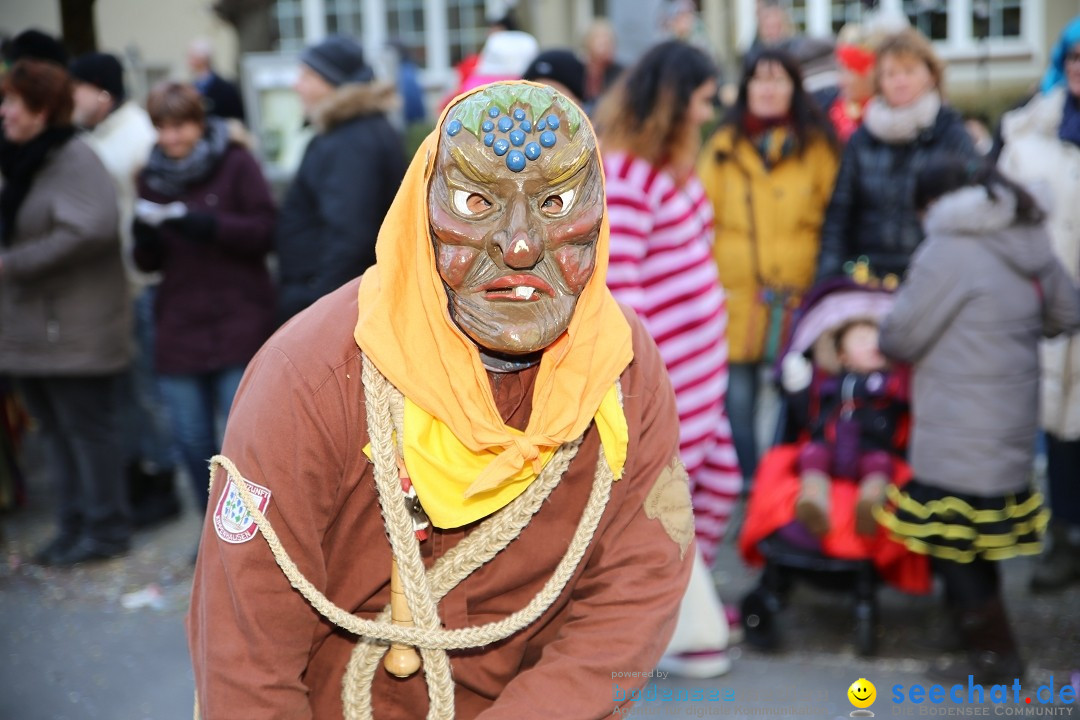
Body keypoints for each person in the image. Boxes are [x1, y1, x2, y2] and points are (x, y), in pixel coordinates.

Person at [188, 80, 694, 717]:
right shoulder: (311, 380)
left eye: (558, 201)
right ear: (421, 210)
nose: (520, 245)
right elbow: (246, 655)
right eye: (476, 200)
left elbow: (638, 585)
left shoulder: (622, 369)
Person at [876, 158, 1080, 682]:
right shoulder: (1027, 235)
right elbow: (1065, 313)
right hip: (1010, 422)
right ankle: (971, 635)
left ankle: (997, 657)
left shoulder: (947, 248)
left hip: (956, 426)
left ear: (934, 207)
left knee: (950, 540)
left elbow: (900, 337)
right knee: (977, 533)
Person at [595, 41, 740, 677]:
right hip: (671, 380)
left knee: (719, 482)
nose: (712, 111)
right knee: (671, 502)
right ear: (673, 103)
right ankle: (666, 617)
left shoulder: (666, 170)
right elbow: (621, 293)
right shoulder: (627, 176)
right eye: (705, 99)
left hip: (702, 371)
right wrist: (645, 386)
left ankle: (677, 600)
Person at [0, 59, 132, 565]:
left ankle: (105, 528)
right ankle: (73, 524)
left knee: (87, 431)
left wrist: (13, 264)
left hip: (75, 326)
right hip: (34, 326)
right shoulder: (22, 159)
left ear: (42, 109)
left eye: (13, 101)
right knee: (54, 432)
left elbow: (91, 227)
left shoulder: (72, 156)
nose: (5, 111)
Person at [133, 82, 275, 520]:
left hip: (238, 319)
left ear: (198, 123)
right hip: (179, 324)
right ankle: (211, 532)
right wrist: (144, 237)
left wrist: (210, 225)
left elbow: (266, 230)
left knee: (243, 436)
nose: (171, 138)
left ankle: (253, 530)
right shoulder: (149, 175)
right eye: (162, 128)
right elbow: (145, 261)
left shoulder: (235, 163)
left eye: (180, 127)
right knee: (192, 439)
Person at [698, 48, 839, 487]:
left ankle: (784, 478)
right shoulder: (723, 145)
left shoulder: (818, 145)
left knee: (794, 394)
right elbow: (702, 215)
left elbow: (832, 215)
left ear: (794, 89)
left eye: (779, 80)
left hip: (797, 295)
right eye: (760, 80)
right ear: (746, 88)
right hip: (734, 296)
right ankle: (750, 483)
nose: (768, 89)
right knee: (735, 399)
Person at [69, 51, 180, 526]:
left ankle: (163, 480)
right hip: (125, 280)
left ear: (100, 92)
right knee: (136, 388)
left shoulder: (135, 137)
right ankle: (147, 476)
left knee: (151, 390)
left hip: (146, 282)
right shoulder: (100, 134)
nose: (70, 100)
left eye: (76, 90)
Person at [998, 15, 1080, 592]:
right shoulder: (1029, 139)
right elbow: (1005, 219)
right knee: (1059, 429)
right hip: (1051, 309)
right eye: (1073, 58)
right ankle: (1066, 537)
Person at [816, 28, 975, 281]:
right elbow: (839, 217)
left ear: (931, 76)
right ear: (879, 81)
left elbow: (972, 213)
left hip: (935, 276)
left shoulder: (951, 135)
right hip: (867, 277)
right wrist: (829, 281)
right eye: (891, 74)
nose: (900, 81)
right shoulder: (862, 140)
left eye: (909, 71)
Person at [275, 35, 406, 324]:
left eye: (307, 75)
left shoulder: (351, 141)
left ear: (331, 81)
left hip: (330, 302)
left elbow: (350, 235)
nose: (297, 85)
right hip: (334, 295)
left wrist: (319, 309)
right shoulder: (356, 131)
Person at [783, 318, 908, 537]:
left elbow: (904, 399)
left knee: (880, 464)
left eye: (877, 340)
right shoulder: (831, 383)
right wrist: (798, 388)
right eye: (862, 340)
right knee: (812, 454)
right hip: (832, 444)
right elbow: (810, 416)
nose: (873, 345)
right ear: (843, 356)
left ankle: (870, 501)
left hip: (870, 447)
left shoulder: (889, 382)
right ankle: (814, 499)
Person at [187, 37, 245, 122]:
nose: (188, 61)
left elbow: (237, 116)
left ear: (202, 59)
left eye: (191, 56)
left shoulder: (226, 88)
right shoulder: (190, 87)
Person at [581, 19, 623, 109]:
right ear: (588, 43)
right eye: (602, 43)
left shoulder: (620, 73)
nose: (608, 47)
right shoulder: (578, 70)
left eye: (610, 43)